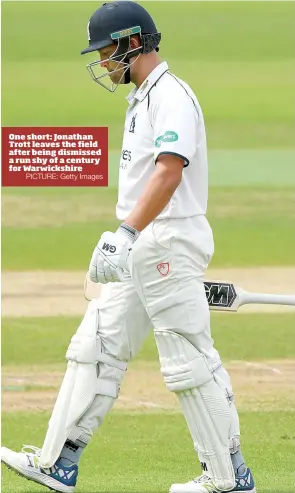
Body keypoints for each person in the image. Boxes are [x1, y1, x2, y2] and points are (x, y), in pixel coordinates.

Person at [1, 2, 256, 493]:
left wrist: (127, 234)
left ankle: (229, 477)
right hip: (142, 246)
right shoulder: (142, 98)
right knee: (94, 348)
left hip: (166, 241)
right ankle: (58, 462)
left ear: (131, 43)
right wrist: (125, 240)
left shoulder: (172, 96)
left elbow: (169, 170)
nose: (102, 62)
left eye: (105, 51)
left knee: (187, 362)